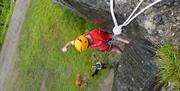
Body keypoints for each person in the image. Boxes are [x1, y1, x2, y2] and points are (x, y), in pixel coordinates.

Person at [62, 28, 129, 53]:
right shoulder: (80, 40)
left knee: (115, 47)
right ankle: (124, 45)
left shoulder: (97, 34)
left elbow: (111, 36)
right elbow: (71, 42)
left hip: (105, 44)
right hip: (104, 45)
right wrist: (65, 47)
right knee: (114, 44)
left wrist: (65, 47)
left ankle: (124, 46)